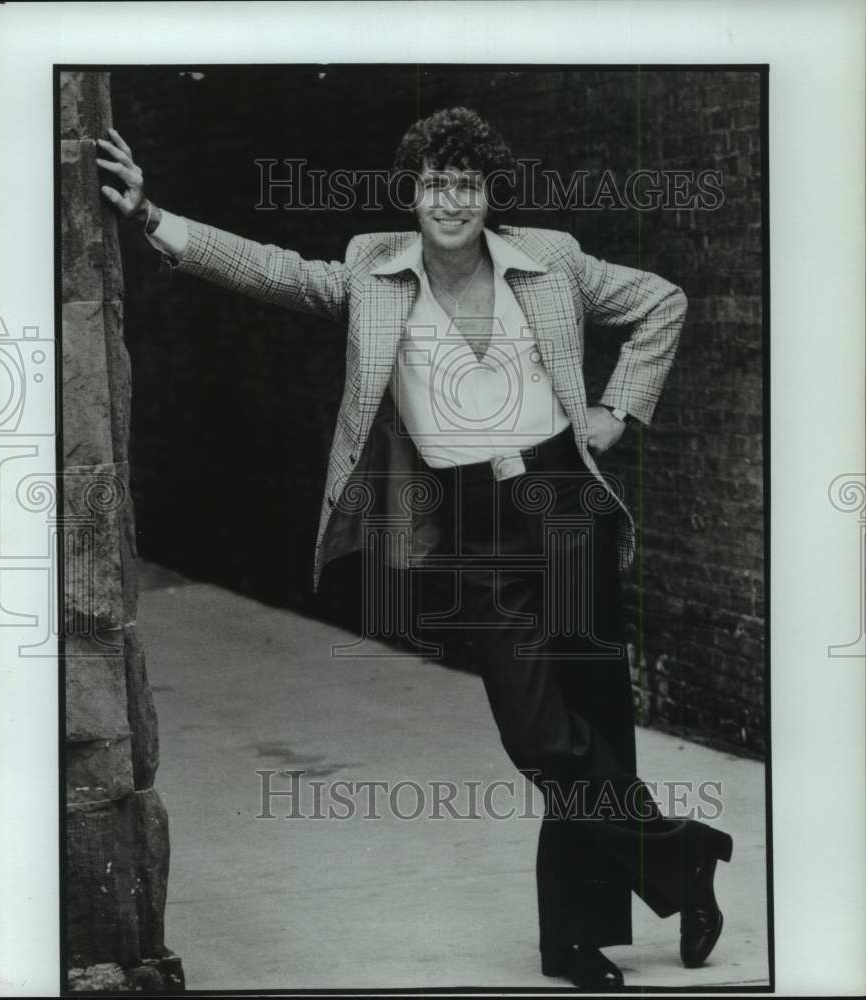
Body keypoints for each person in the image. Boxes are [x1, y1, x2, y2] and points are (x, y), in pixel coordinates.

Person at [96, 106, 733, 990]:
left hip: (563, 502)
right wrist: (152, 216)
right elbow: (273, 271)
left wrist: (616, 410)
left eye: (467, 185)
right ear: (412, 192)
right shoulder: (373, 271)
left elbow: (660, 301)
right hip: (474, 521)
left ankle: (573, 939)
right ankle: (679, 855)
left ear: (489, 195)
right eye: (436, 183)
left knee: (593, 718)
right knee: (540, 734)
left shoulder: (548, 259)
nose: (451, 201)